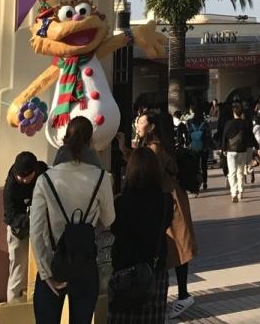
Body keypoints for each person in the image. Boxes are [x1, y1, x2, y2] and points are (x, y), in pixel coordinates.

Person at [30, 117, 115, 324]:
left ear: (65, 140)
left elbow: (37, 230)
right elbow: (109, 219)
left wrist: (45, 272)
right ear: (90, 142)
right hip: (86, 264)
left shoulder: (45, 179)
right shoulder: (102, 177)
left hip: (54, 263)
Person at [132, 109, 198, 317]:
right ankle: (181, 295)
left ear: (151, 126)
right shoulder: (153, 145)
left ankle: (183, 295)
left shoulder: (155, 148)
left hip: (171, 200)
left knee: (177, 247)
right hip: (169, 198)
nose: (137, 125)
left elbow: (151, 174)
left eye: (141, 122)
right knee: (175, 247)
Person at [109, 146, 167, 324]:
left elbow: (114, 230)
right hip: (154, 271)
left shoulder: (121, 203)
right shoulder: (165, 201)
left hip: (125, 272)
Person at [3, 149, 48, 301]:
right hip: (19, 232)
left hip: (41, 230)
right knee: (18, 272)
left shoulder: (43, 172)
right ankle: (14, 305)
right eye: (19, 177)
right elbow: (10, 216)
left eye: (26, 177)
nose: (22, 180)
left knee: (43, 268)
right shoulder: (11, 186)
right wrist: (31, 217)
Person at [221, 102, 255, 203]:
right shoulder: (244, 124)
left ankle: (234, 193)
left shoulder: (228, 124)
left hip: (231, 151)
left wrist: (223, 149)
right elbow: (250, 136)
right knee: (240, 172)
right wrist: (256, 146)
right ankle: (241, 191)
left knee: (232, 172)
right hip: (242, 151)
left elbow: (224, 137)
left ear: (233, 112)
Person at [186, 107, 211, 194]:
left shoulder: (190, 122)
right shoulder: (205, 123)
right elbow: (208, 135)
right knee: (204, 166)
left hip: (194, 147)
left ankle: (196, 183)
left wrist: (189, 144)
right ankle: (205, 182)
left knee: (195, 166)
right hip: (204, 147)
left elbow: (188, 135)